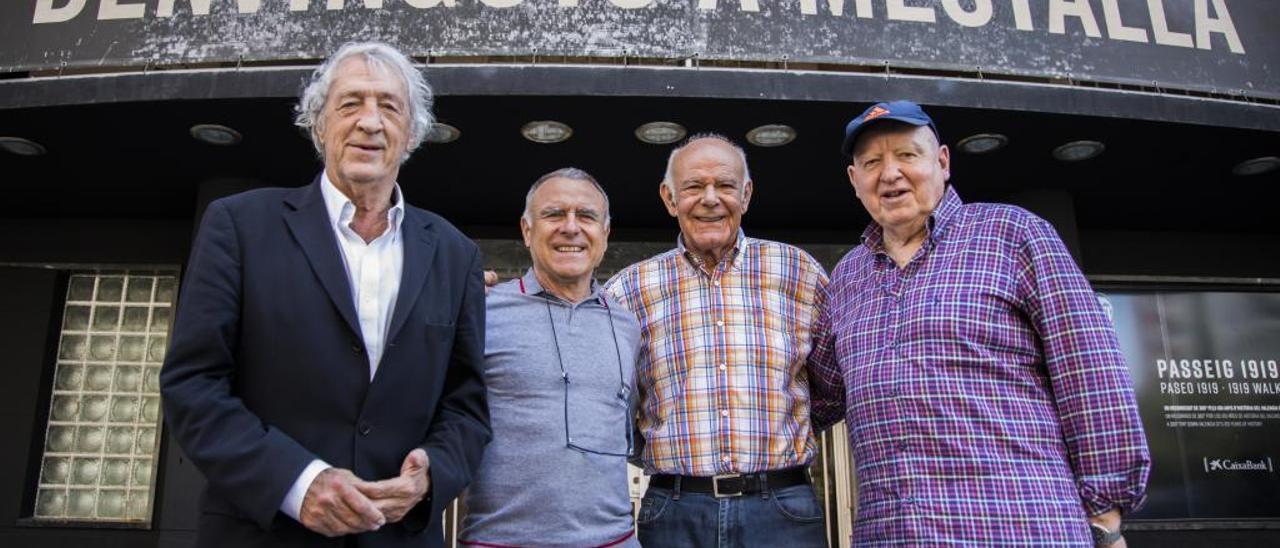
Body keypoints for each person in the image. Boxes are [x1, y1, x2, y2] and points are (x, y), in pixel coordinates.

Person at [159, 42, 490, 548]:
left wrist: (432, 473)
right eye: (351, 103)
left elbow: (466, 406)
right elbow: (193, 386)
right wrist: (299, 482)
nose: (370, 122)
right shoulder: (239, 226)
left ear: (411, 135)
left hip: (397, 537)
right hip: (265, 532)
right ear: (319, 126)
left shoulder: (454, 252)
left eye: (389, 107)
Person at [808, 100, 1151, 547]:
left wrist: (1105, 522)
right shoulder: (848, 277)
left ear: (943, 162)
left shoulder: (1014, 234)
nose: (889, 173)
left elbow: (1090, 373)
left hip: (1018, 528)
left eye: (907, 155)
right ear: (855, 181)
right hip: (892, 535)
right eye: (871, 162)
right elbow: (823, 396)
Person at [604, 134, 829, 547]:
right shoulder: (627, 291)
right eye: (693, 187)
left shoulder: (800, 273)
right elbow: (615, 406)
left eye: (725, 186)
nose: (710, 199)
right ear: (669, 199)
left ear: (745, 195)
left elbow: (830, 389)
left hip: (781, 509)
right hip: (674, 510)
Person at [461, 168, 641, 547]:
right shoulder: (481, 310)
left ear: (605, 234)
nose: (571, 228)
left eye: (586, 216)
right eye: (554, 214)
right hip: (501, 541)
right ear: (527, 231)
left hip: (615, 541)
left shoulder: (627, 325)